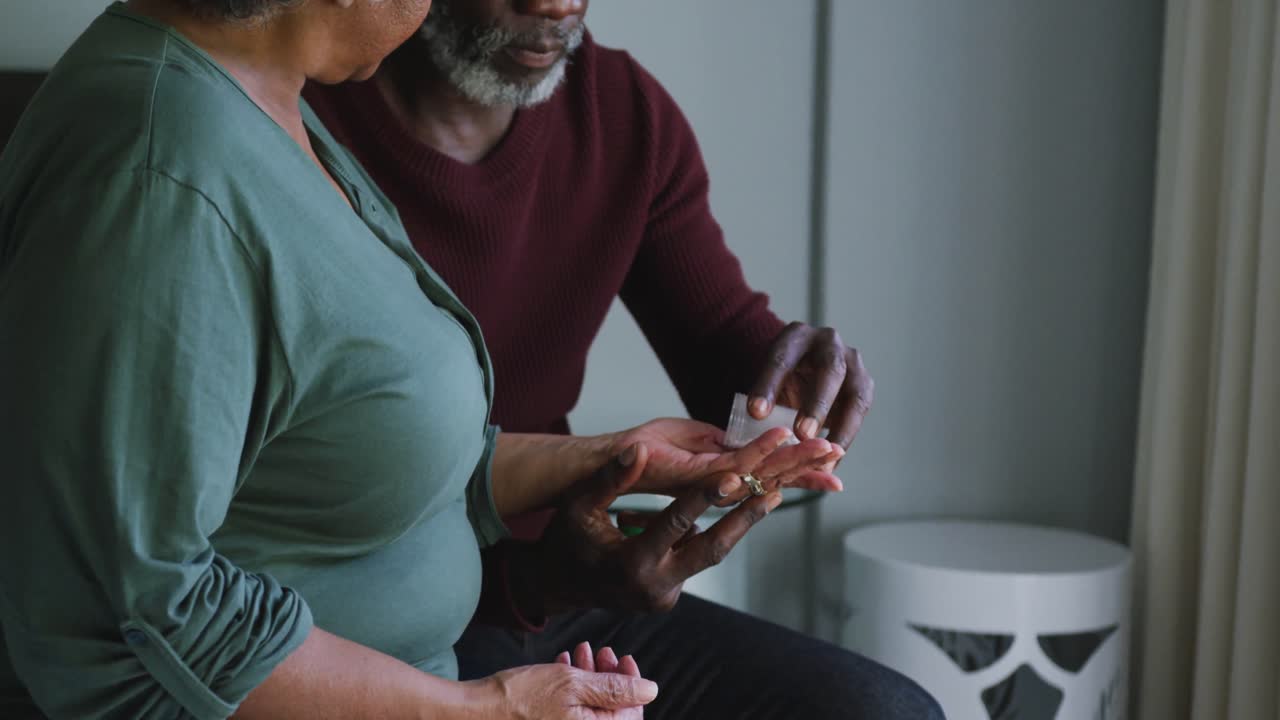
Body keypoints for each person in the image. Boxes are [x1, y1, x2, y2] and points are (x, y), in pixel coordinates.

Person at [0, 1, 839, 717]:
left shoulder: (266, 101)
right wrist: (486, 708)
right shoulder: (160, 172)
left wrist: (614, 458)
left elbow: (345, 446)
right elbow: (136, 608)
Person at [303, 1, 945, 718]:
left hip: (554, 589)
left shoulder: (620, 115)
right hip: (363, 613)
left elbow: (723, 350)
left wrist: (783, 387)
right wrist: (542, 577)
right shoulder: (296, 116)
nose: (555, 4)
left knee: (885, 712)